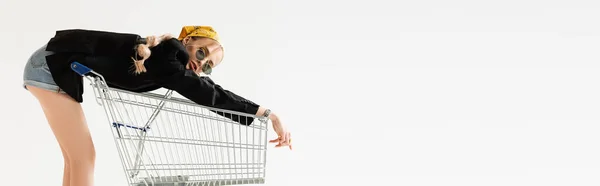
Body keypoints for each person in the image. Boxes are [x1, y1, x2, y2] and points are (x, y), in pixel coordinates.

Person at [22, 26, 292, 186]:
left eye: (209, 65)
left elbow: (209, 89)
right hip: (49, 67)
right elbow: (205, 93)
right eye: (202, 52)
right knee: (84, 157)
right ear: (187, 42)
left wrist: (266, 113)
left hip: (54, 66)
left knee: (76, 158)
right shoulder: (168, 56)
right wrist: (267, 114)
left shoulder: (168, 59)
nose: (202, 63)